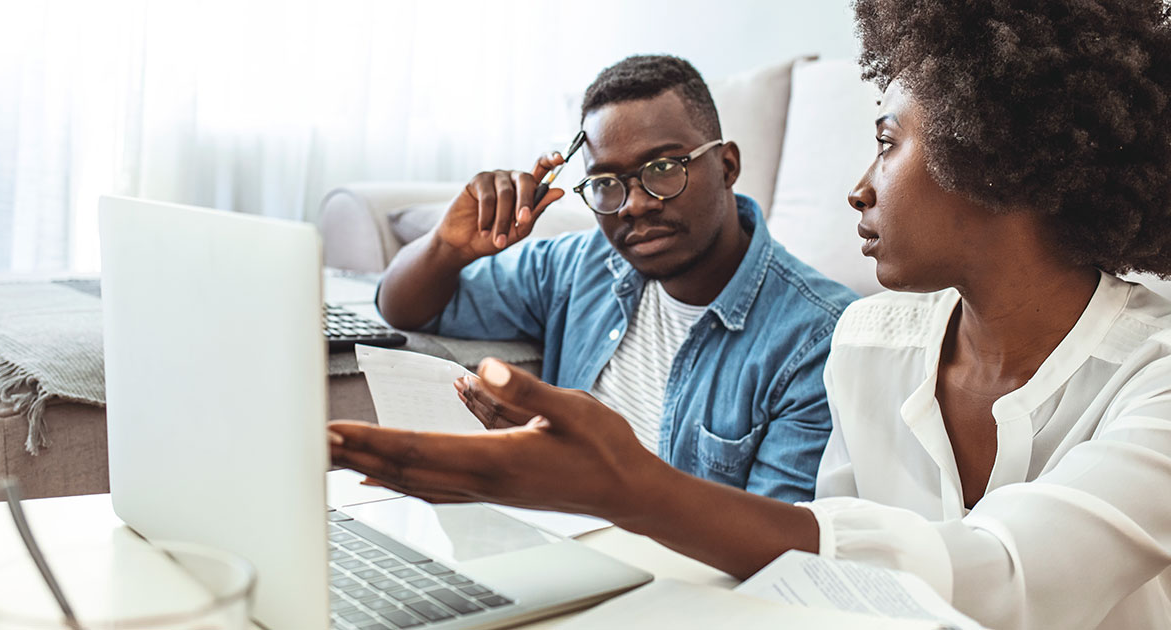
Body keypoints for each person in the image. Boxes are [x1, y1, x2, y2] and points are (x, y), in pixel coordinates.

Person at [331, 1, 1171, 627]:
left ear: (993, 155)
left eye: (885, 141)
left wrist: (626, 488)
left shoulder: (1156, 381)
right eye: (610, 184)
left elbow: (1007, 579)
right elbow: (822, 586)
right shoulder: (873, 343)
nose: (859, 187)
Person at [374, 55, 856, 501]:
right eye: (606, 183)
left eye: (664, 168)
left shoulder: (816, 339)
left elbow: (777, 543)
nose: (634, 203)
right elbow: (404, 307)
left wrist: (589, 463)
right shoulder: (578, 267)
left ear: (727, 166)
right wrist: (447, 247)